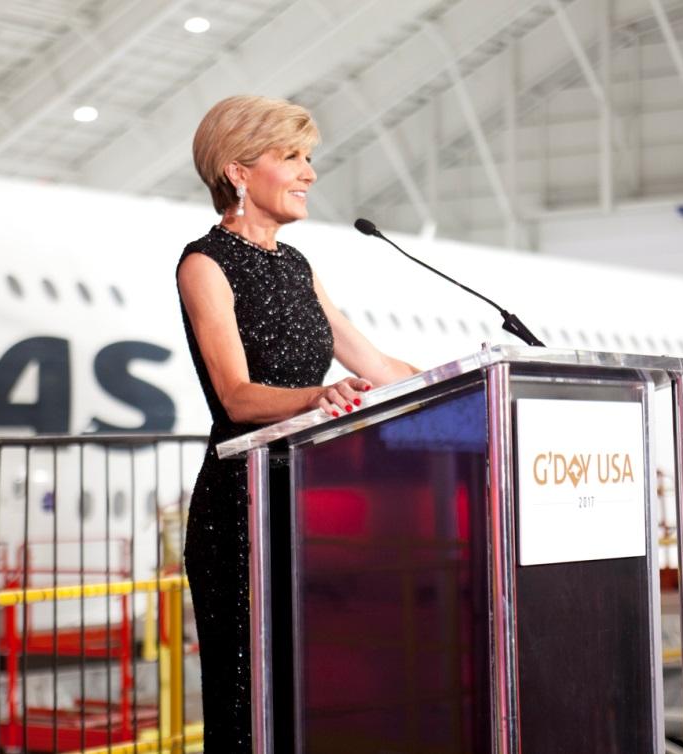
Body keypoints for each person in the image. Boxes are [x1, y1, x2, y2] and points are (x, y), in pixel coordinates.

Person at [177, 94, 418, 751]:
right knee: (245, 702)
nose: (310, 172)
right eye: (291, 157)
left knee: (313, 695)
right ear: (237, 171)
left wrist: (473, 376)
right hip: (242, 510)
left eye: (308, 157)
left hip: (313, 510)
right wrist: (316, 396)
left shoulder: (297, 265)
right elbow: (236, 397)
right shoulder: (205, 263)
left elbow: (374, 361)